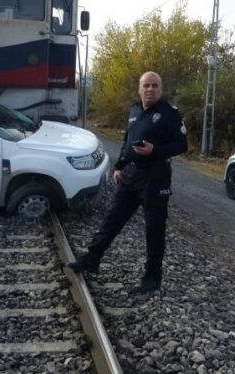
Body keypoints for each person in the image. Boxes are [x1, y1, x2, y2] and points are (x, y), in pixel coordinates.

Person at [68, 71, 188, 294]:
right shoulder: (134, 110)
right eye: (146, 85)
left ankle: (152, 278)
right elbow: (127, 141)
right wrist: (120, 166)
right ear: (140, 89)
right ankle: (91, 259)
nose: (150, 89)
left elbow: (182, 145)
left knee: (154, 229)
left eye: (154, 86)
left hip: (156, 177)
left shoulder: (169, 113)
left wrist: (156, 150)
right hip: (131, 175)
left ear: (160, 90)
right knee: (112, 220)